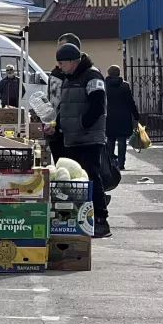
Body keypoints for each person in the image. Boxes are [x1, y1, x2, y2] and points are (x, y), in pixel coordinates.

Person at [55, 43, 113, 238]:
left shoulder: (91, 76)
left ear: (73, 61)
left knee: (92, 178)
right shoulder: (69, 79)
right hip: (72, 138)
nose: (60, 67)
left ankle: (101, 221)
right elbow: (65, 107)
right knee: (78, 181)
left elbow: (97, 105)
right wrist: (57, 124)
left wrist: (81, 125)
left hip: (89, 138)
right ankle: (81, 219)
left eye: (62, 63)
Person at [47, 34, 83, 159]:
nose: (59, 52)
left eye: (62, 47)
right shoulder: (56, 73)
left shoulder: (81, 75)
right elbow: (52, 99)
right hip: (54, 129)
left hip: (72, 132)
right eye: (58, 48)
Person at [104, 64, 140, 170]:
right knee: (122, 141)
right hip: (123, 117)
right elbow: (130, 102)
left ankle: (110, 162)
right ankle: (121, 163)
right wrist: (136, 115)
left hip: (109, 117)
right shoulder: (125, 85)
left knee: (110, 140)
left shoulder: (105, 85)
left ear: (109, 73)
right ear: (119, 73)